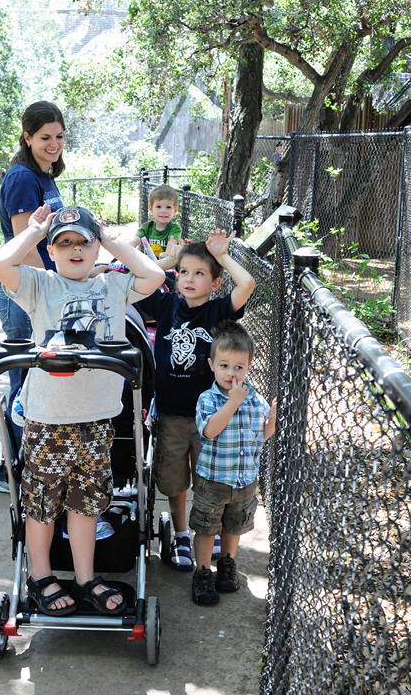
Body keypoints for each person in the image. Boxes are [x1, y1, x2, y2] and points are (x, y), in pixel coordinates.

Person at [0, 203, 165, 615]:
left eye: (84, 242)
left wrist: (113, 241)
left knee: (87, 504)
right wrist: (35, 232)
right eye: (64, 243)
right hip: (48, 420)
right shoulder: (40, 285)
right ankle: (40, 576)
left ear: (96, 246)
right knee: (42, 503)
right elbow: (0, 264)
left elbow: (154, 276)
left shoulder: (113, 287)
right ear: (52, 251)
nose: (75, 249)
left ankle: (86, 578)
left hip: (97, 419)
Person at [135, 231, 256, 571]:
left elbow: (247, 284)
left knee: (208, 478)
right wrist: (168, 262)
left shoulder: (218, 311)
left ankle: (208, 530)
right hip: (171, 415)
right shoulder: (165, 305)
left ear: (215, 283)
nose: (189, 279)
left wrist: (222, 256)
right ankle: (181, 534)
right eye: (184, 272)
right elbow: (133, 280)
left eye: (199, 273)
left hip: (210, 417)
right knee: (174, 481)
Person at [0, 101, 66, 491]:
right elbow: (26, 246)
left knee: (27, 383)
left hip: (35, 289)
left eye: (59, 136)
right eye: (45, 137)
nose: (54, 144)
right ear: (27, 137)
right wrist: (53, 290)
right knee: (25, 385)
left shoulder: (43, 173)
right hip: (24, 294)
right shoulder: (23, 178)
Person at [189, 320, 277, 604]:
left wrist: (273, 419)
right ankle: (203, 572)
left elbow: (262, 435)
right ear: (212, 365)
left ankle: (227, 563)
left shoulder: (256, 400)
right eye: (224, 365)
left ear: (249, 366)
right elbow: (210, 431)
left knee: (233, 526)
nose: (231, 373)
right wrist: (233, 402)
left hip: (245, 481)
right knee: (206, 528)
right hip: (213, 480)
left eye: (239, 367)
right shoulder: (208, 399)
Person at [130, 184, 182, 260]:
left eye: (168, 207)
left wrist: (166, 254)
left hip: (166, 265)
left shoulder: (175, 228)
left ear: (175, 209)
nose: (163, 211)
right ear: (151, 208)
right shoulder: (146, 227)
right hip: (148, 264)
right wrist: (127, 248)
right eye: (158, 207)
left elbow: (172, 243)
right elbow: (134, 240)